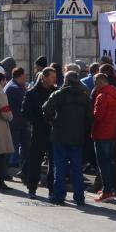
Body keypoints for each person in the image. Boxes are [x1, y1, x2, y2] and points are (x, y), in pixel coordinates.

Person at [43, 69, 91, 207]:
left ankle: (59, 195)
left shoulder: (59, 94)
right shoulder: (84, 96)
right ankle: (79, 196)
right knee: (76, 168)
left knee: (60, 166)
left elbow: (46, 110)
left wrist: (53, 121)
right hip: (77, 136)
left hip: (59, 135)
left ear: (66, 80)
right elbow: (89, 117)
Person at [20, 66, 56, 196]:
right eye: (52, 77)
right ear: (44, 78)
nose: (54, 79)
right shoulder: (31, 93)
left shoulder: (56, 92)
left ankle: (52, 189)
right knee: (35, 161)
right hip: (38, 132)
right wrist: (38, 121)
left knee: (53, 162)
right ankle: (32, 188)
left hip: (53, 132)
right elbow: (25, 113)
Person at [89, 71, 116, 200]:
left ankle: (107, 190)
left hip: (101, 132)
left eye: (96, 83)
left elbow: (98, 116)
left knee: (103, 163)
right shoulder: (115, 93)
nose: (95, 86)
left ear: (100, 82)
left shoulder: (102, 96)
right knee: (108, 161)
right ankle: (108, 188)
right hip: (112, 131)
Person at [6, 66, 28, 169]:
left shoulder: (12, 85)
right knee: (20, 145)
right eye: (25, 75)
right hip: (17, 122)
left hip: (16, 122)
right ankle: (14, 165)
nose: (26, 78)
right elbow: (25, 103)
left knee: (16, 145)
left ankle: (14, 164)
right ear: (22, 76)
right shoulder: (14, 88)